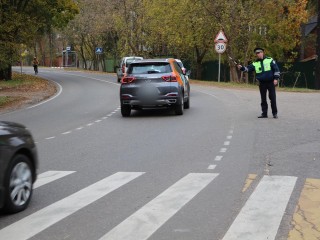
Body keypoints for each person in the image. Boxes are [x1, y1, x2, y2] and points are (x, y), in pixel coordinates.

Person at [237, 47, 280, 119]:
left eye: (259, 53)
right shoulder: (255, 63)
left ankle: (274, 113)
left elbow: (276, 69)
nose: (258, 54)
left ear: (262, 52)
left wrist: (276, 79)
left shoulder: (269, 60)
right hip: (262, 83)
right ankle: (264, 114)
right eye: (256, 53)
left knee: (272, 98)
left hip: (271, 82)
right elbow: (247, 69)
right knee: (263, 99)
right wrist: (241, 68)